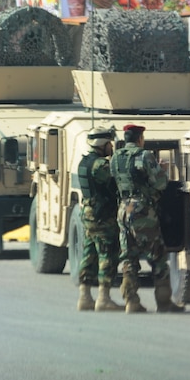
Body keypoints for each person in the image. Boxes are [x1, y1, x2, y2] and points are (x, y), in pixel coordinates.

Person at [112, 123, 183, 314]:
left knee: (129, 256)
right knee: (158, 255)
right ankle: (164, 302)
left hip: (123, 210)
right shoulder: (145, 155)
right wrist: (161, 171)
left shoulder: (116, 157)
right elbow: (161, 183)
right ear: (140, 139)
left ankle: (131, 302)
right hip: (142, 210)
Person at [74, 126, 123, 312]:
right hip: (102, 216)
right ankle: (104, 298)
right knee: (107, 254)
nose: (112, 147)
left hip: (88, 214)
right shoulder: (100, 165)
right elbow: (116, 182)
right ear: (102, 144)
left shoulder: (84, 162)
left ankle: (84, 297)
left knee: (89, 254)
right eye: (110, 143)